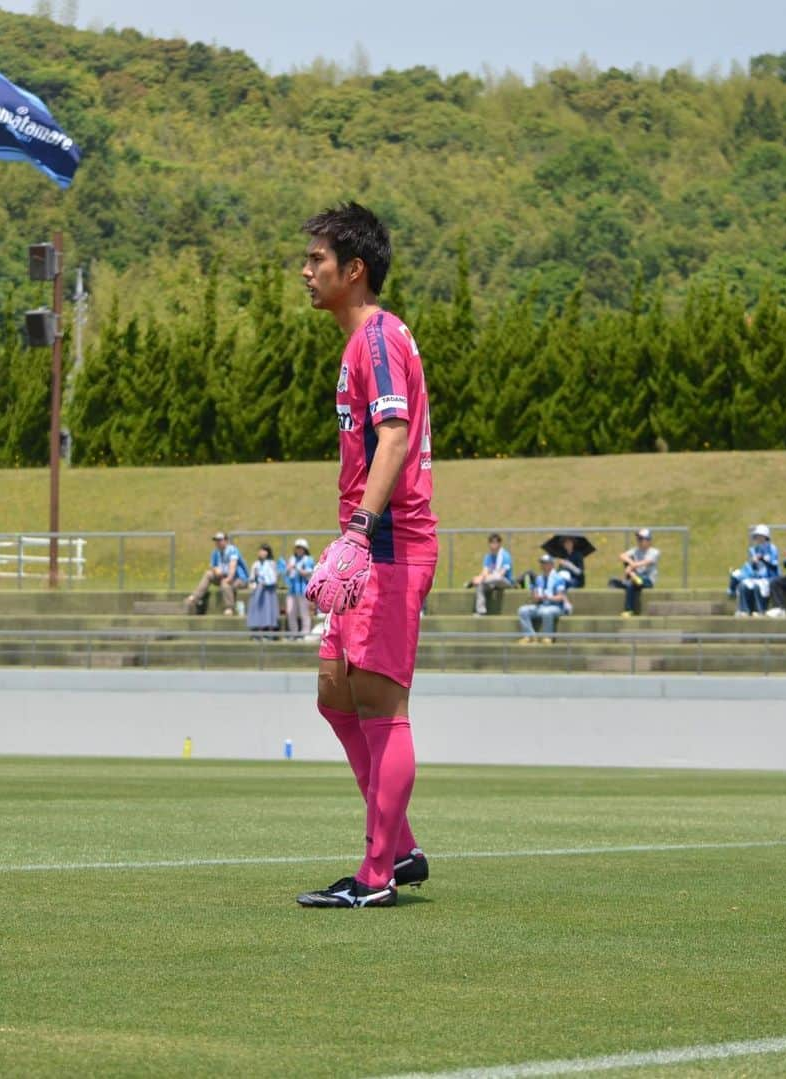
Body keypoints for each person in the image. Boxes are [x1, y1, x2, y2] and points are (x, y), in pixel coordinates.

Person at [295, 202, 438, 910]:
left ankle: (377, 871)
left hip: (388, 543)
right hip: (371, 540)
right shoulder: (361, 341)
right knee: (333, 691)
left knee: (382, 702)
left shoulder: (377, 337)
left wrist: (357, 531)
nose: (305, 271)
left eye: (317, 259)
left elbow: (394, 437)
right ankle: (401, 843)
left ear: (355, 271)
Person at [185, 531, 248, 615]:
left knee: (225, 583)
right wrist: (215, 570)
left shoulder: (233, 550)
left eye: (220, 540)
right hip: (223, 575)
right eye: (216, 540)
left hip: (239, 578)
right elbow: (212, 566)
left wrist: (228, 579)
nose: (217, 542)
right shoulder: (215, 552)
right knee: (208, 574)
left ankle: (229, 608)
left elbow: (233, 566)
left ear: (226, 541)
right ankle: (194, 597)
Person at [517, 553, 570, 643]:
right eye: (542, 563)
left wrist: (548, 597)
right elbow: (535, 596)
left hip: (556, 607)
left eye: (545, 563)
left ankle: (548, 637)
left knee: (546, 611)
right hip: (541, 605)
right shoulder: (539, 579)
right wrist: (536, 597)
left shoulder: (558, 578)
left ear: (551, 565)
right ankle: (530, 636)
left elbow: (560, 597)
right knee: (522, 610)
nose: (543, 565)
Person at [610, 528, 660, 617]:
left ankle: (629, 610)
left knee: (632, 583)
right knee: (616, 581)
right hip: (636, 578)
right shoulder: (635, 550)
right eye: (638, 539)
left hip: (648, 580)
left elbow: (646, 562)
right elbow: (622, 556)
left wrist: (631, 567)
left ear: (648, 540)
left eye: (641, 539)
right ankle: (633, 579)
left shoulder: (654, 552)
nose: (639, 541)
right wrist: (631, 564)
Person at [731, 524, 779, 617]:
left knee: (758, 587)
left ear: (765, 537)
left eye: (759, 536)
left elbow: (774, 566)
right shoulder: (755, 549)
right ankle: (744, 610)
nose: (757, 538)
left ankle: (760, 609)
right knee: (743, 585)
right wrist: (753, 563)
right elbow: (753, 568)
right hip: (756, 577)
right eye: (756, 536)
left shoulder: (772, 549)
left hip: (769, 577)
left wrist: (762, 559)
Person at [470, 532, 513, 615]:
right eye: (491, 542)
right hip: (491, 582)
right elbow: (485, 571)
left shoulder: (505, 555)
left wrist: (481, 579)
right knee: (480, 585)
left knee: (497, 578)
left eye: (495, 542)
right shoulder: (488, 556)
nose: (493, 545)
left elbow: (501, 574)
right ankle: (481, 611)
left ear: (499, 544)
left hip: (505, 582)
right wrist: (480, 577)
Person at [246, 543, 280, 638]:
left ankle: (270, 632)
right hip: (258, 591)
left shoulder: (271, 563)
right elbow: (252, 578)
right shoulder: (255, 564)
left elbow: (273, 578)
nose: (262, 552)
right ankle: (258, 632)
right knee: (258, 611)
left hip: (269, 591)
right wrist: (254, 581)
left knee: (269, 611)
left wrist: (267, 582)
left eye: (264, 550)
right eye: (261, 550)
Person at [284, 538, 315, 638]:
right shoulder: (292, 559)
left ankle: (305, 633)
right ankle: (294, 633)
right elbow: (287, 574)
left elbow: (309, 573)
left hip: (303, 590)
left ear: (305, 549)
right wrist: (288, 569)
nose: (299, 550)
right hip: (292, 590)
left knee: (304, 613)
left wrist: (297, 568)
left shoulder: (308, 559)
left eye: (301, 548)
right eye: (297, 548)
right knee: (290, 612)